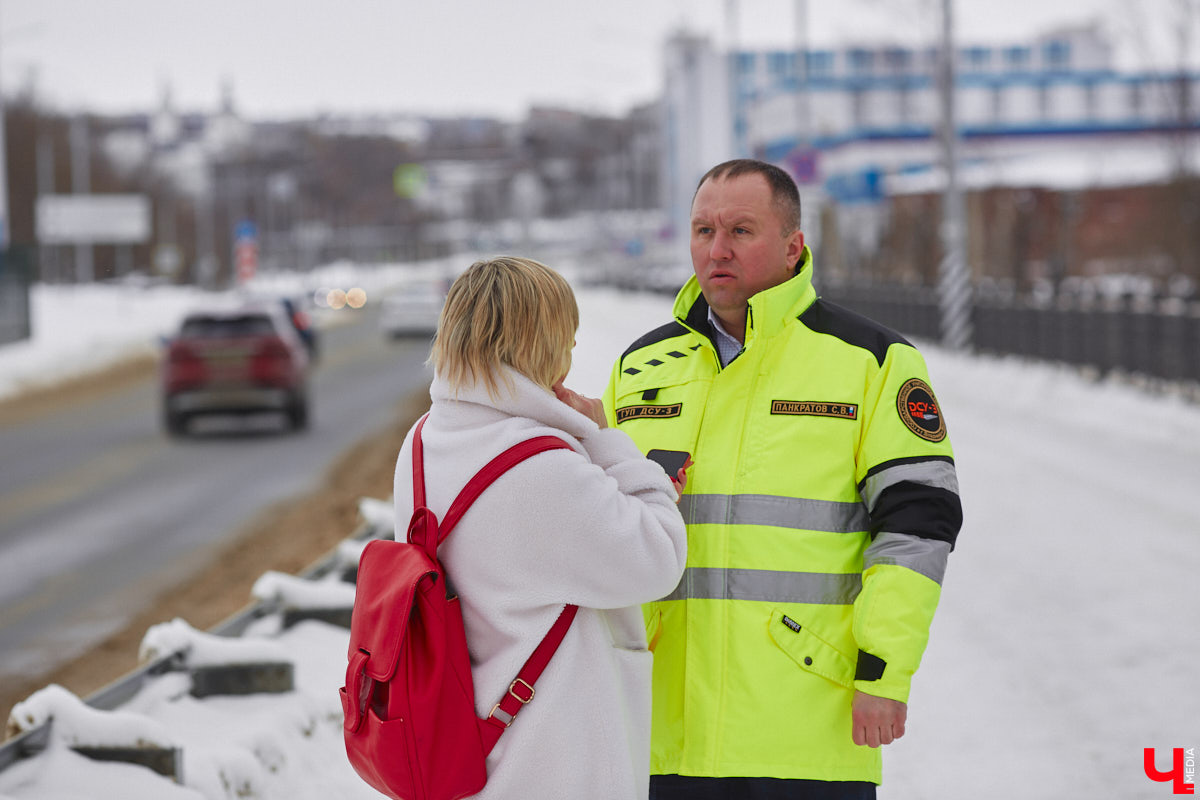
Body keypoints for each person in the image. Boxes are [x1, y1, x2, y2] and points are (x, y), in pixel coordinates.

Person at [602, 159, 963, 799]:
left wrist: (883, 672)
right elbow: (604, 524)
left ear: (793, 245)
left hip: (806, 728)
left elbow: (918, 525)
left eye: (740, 230)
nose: (717, 249)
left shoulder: (872, 361)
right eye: (704, 230)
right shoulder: (641, 366)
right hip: (661, 728)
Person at [393, 256, 689, 799]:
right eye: (567, 340)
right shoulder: (540, 467)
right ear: (542, 343)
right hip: (553, 759)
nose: (571, 355)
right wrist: (609, 443)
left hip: (469, 747)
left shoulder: (421, 442)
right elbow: (658, 559)